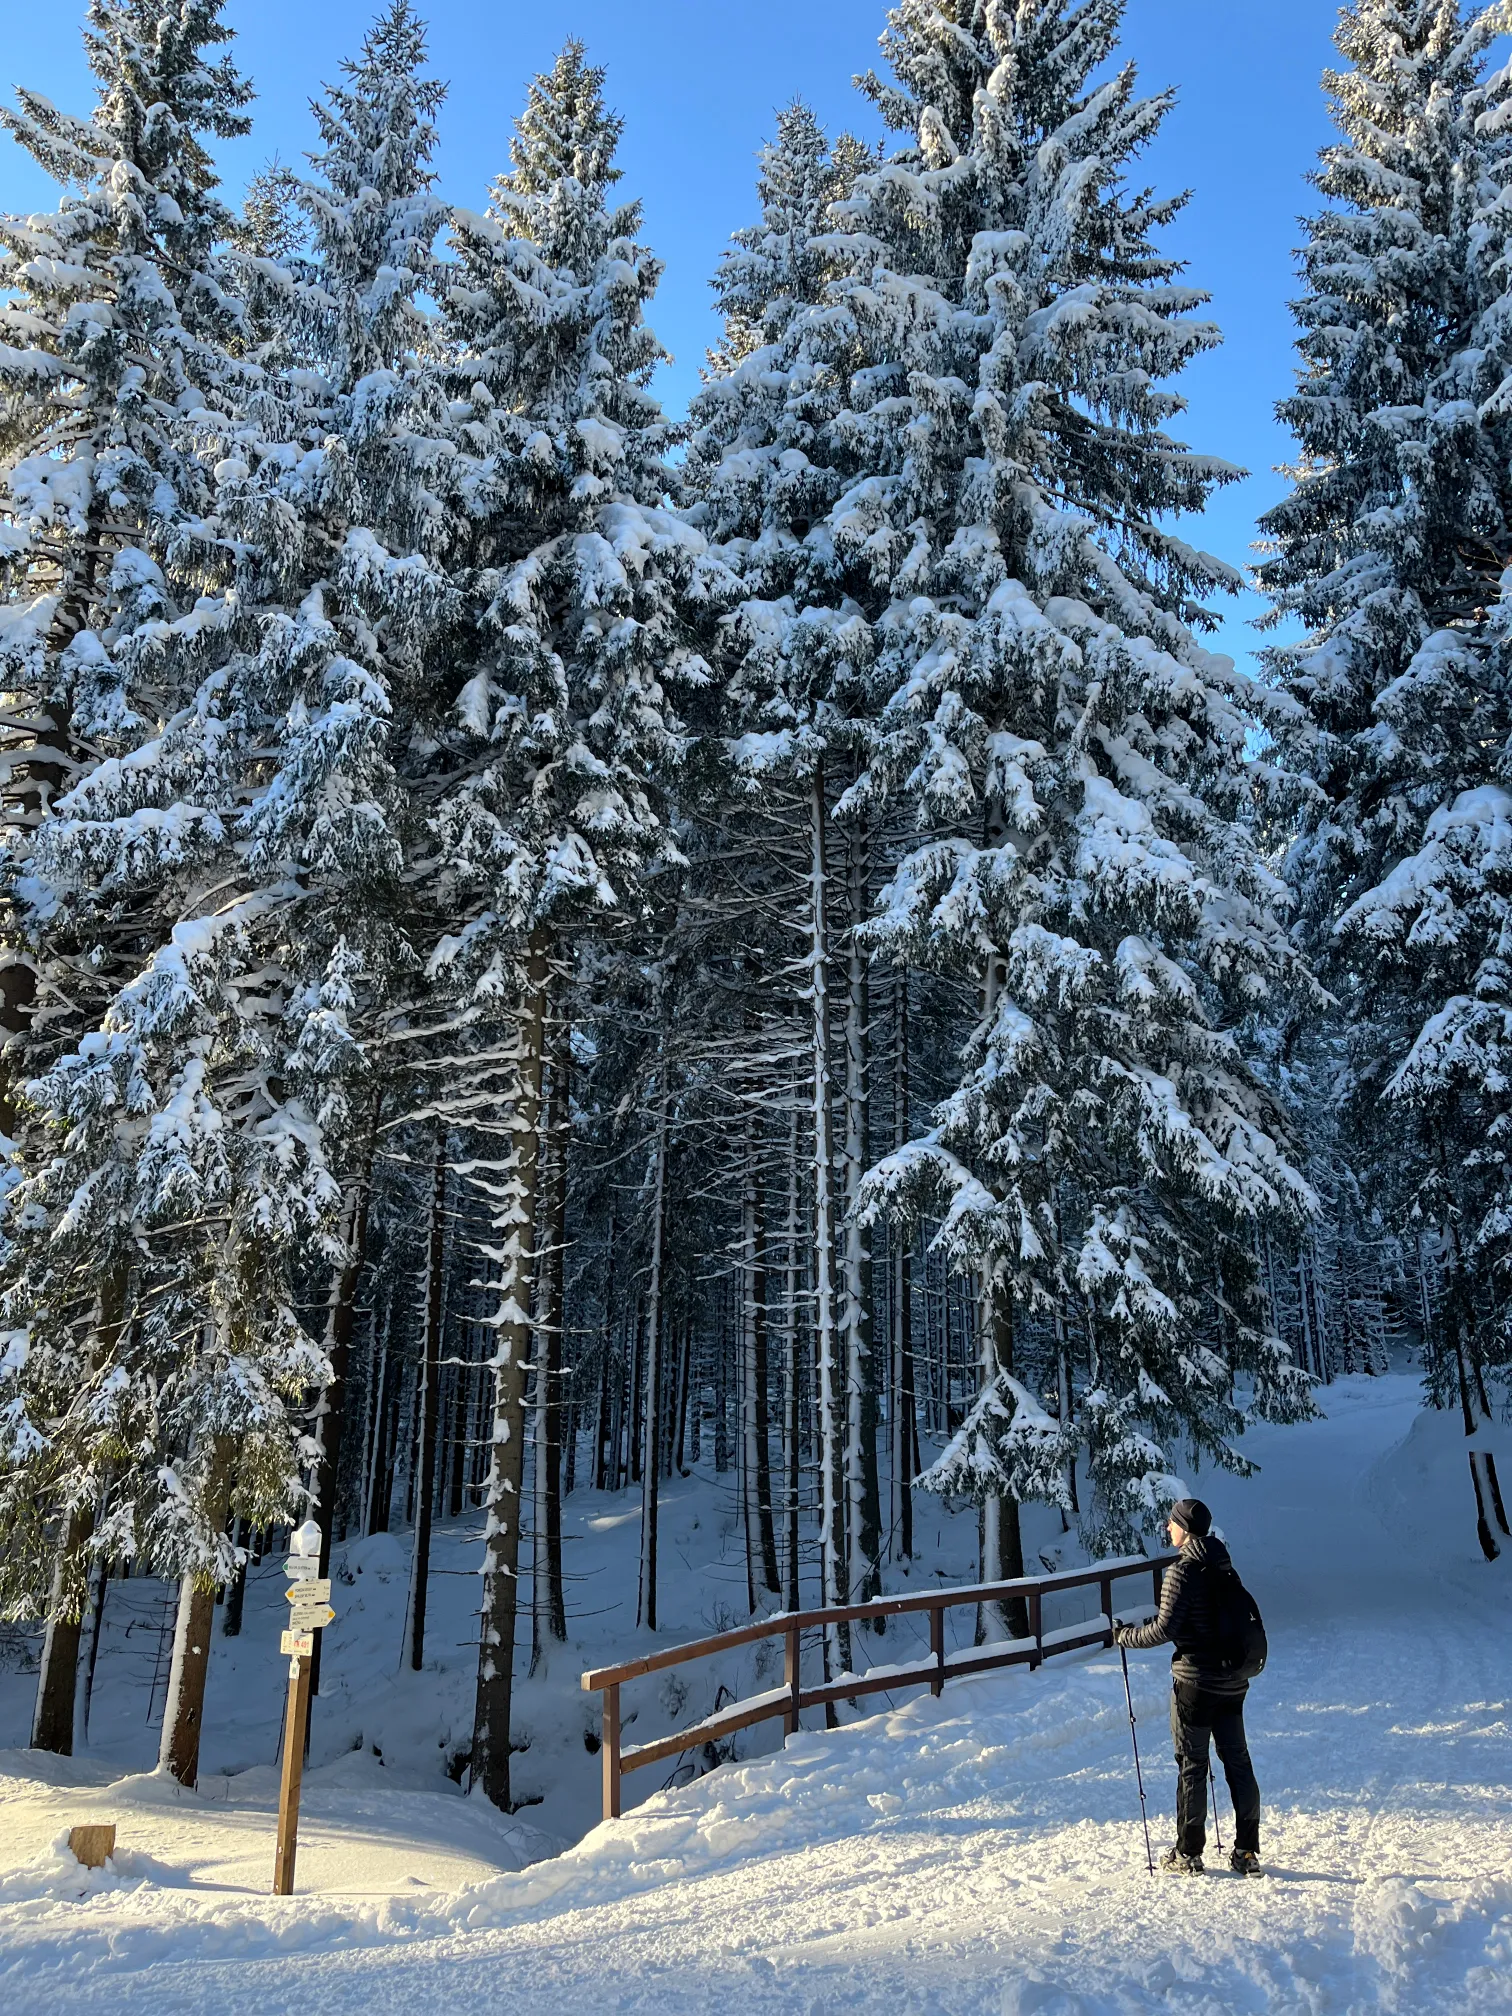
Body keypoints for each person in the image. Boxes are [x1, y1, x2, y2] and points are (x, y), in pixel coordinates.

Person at [1114, 1497, 1262, 1876]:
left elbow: (1165, 1629)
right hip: (1233, 1683)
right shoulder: (1225, 1567)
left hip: (1195, 1685)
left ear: (1185, 1528)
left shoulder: (1181, 1572)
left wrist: (1126, 1636)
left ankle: (1188, 1853)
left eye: (1171, 1523)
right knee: (1238, 1763)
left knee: (1192, 1766)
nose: (1167, 1528)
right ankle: (1246, 1852)